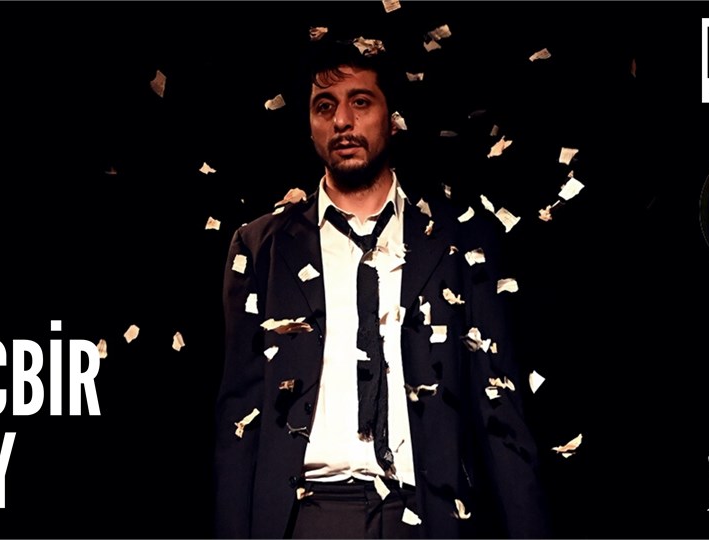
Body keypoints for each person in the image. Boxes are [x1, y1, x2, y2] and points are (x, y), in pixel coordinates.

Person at [215, 39, 548, 539]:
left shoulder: (461, 239)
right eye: (324, 107)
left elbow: (499, 411)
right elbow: (238, 417)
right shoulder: (261, 247)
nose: (342, 121)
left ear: (391, 118)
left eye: (360, 102)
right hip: (311, 515)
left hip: (429, 516)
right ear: (309, 124)